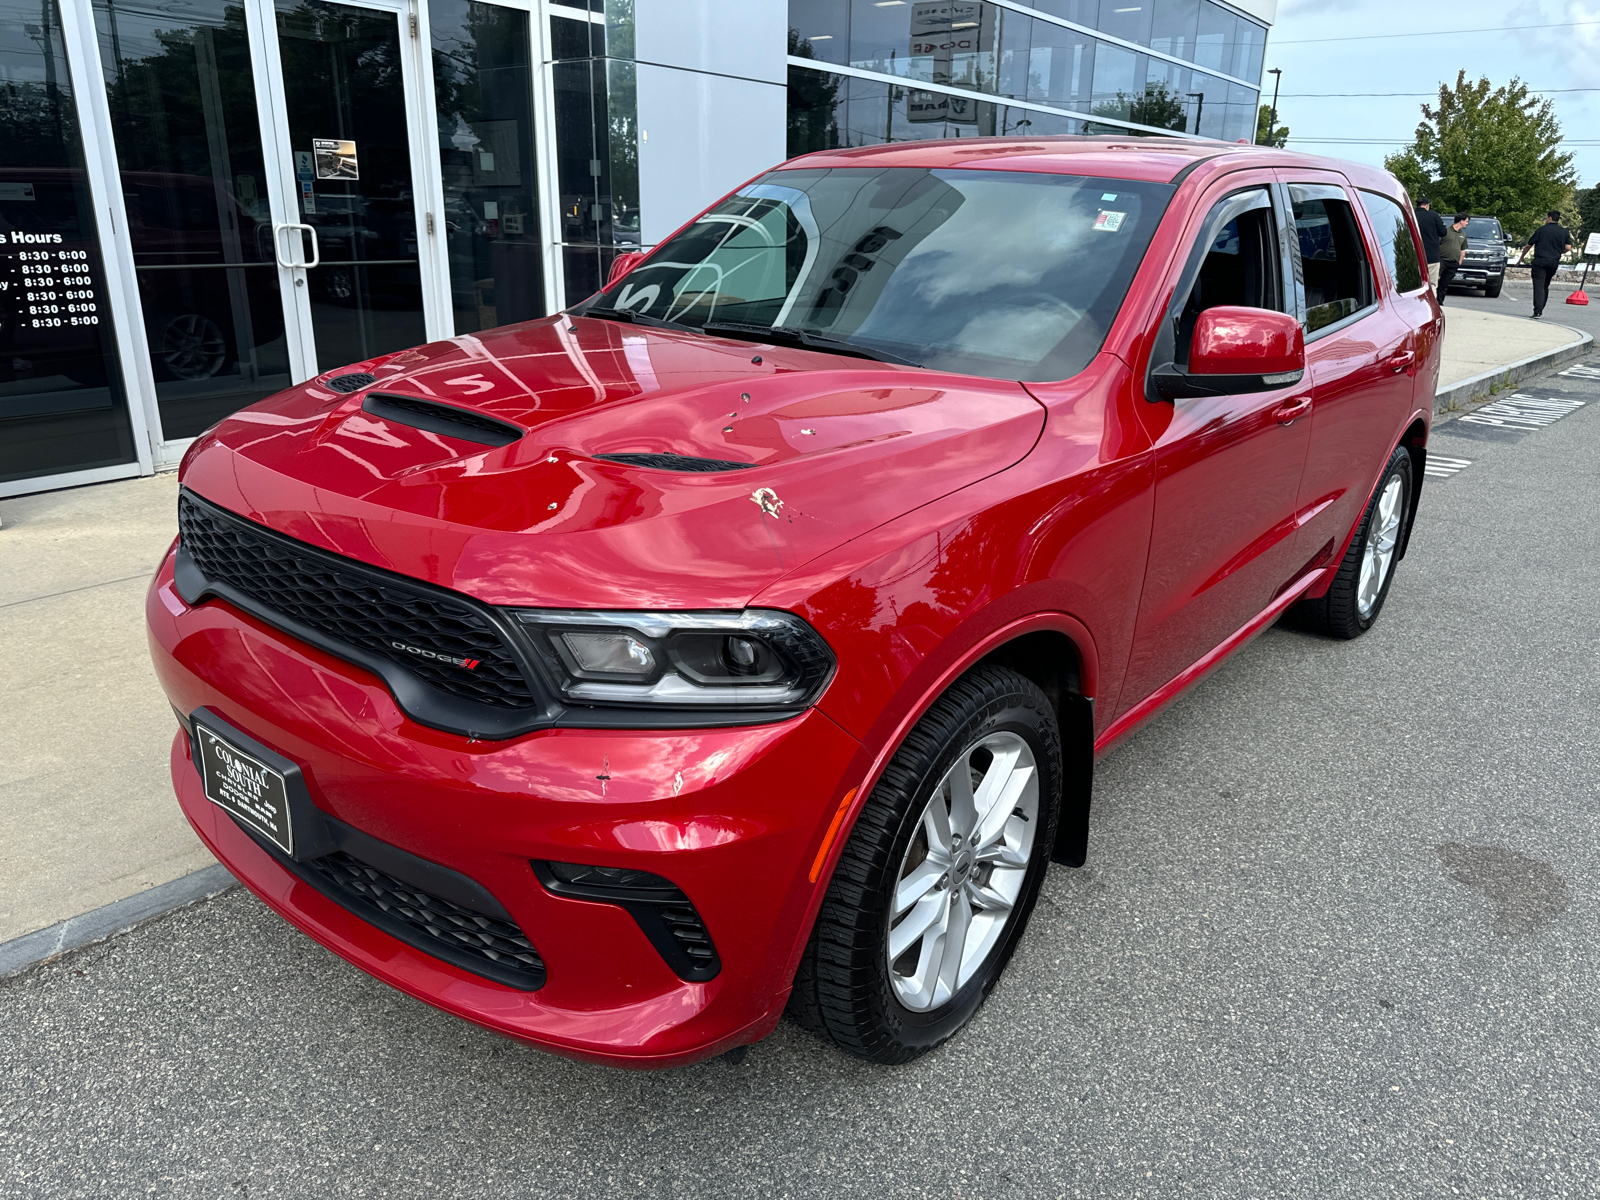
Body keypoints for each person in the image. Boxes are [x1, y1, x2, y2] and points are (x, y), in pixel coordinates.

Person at [1519, 210, 1573, 318]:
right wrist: (1558, 252)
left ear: (1549, 218)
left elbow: (1528, 245)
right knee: (1545, 285)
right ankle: (1541, 307)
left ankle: (1537, 310)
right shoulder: (1564, 231)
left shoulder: (1541, 230)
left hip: (1540, 260)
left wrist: (1521, 257)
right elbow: (1568, 247)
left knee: (1538, 285)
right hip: (1553, 261)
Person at [1415, 198, 1448, 290]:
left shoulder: (1410, 215)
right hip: (1431, 255)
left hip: (1414, 255)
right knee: (1432, 284)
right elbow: (1443, 232)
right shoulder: (1433, 215)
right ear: (1426, 205)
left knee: (1415, 285)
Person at [1437, 213, 1470, 297]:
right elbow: (1436, 244)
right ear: (1461, 221)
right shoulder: (1446, 231)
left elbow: (1463, 250)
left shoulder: (1463, 235)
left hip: (1453, 263)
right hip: (1442, 260)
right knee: (1434, 281)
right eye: (1466, 221)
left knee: (1445, 284)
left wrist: (1459, 262)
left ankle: (1440, 301)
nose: (1467, 223)